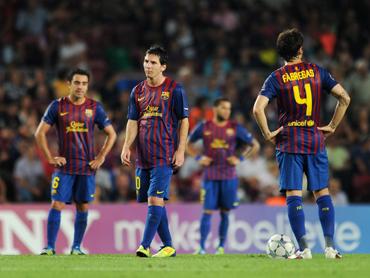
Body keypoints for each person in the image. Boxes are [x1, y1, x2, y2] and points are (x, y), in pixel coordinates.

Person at [253, 28, 350, 259]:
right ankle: (329, 247)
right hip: (314, 138)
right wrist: (333, 126)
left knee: (294, 194)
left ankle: (304, 248)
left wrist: (267, 133)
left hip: (289, 141)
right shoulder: (317, 71)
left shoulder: (276, 77)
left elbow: (257, 108)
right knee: (321, 191)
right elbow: (345, 98)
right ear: (300, 50)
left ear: (281, 53)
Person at [34, 68, 117, 255]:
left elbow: (111, 134)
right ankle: (50, 247)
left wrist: (101, 156)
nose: (80, 87)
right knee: (57, 204)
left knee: (83, 206)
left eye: (84, 83)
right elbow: (39, 133)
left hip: (86, 168)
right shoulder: (57, 106)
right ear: (69, 84)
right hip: (64, 167)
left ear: (88, 86)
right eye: (77, 83)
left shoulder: (94, 108)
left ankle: (76, 247)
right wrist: (49, 158)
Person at [121, 45, 189, 258]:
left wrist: (181, 150)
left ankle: (144, 245)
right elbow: (133, 122)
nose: (148, 66)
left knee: (154, 200)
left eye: (153, 63)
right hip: (143, 157)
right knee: (153, 202)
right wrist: (126, 146)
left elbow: (184, 121)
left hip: (164, 155)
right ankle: (168, 245)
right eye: (146, 62)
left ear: (163, 67)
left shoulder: (174, 89)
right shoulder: (137, 91)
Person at [187, 97, 260, 254]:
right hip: (210, 177)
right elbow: (187, 144)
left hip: (229, 177)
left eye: (229, 109)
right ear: (215, 109)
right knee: (207, 211)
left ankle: (220, 247)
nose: (227, 111)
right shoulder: (204, 126)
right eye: (224, 108)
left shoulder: (234, 127)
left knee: (225, 212)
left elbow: (255, 145)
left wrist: (239, 158)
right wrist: (199, 158)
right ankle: (201, 247)